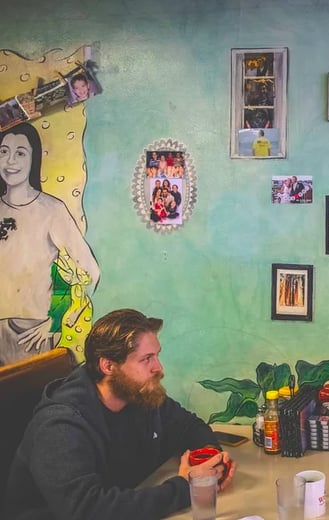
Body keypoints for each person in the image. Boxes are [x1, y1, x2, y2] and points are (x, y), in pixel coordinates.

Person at [3, 308, 235, 519]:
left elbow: (188, 426)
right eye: (146, 359)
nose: (159, 368)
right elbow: (88, 510)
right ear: (108, 366)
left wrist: (211, 461)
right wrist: (185, 487)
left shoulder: (138, 393)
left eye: (156, 355)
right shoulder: (60, 426)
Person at [0, 122, 100, 365]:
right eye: (3, 151)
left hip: (31, 333)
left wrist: (56, 321)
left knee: (31, 398)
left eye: (20, 153)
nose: (10, 161)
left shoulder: (51, 210)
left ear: (34, 159)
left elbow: (89, 271)